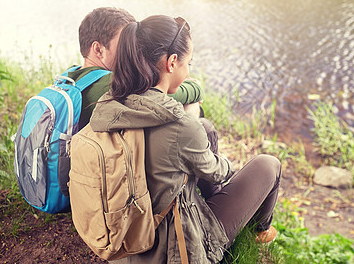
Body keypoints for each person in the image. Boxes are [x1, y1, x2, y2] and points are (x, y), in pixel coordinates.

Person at [88, 15, 281, 263]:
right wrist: (224, 163)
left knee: (205, 127)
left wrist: (195, 127)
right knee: (268, 165)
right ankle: (261, 231)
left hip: (125, 242)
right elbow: (218, 171)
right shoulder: (179, 126)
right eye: (188, 62)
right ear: (172, 62)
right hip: (174, 249)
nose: (188, 70)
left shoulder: (108, 106)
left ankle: (216, 201)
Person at [69, 7, 204, 130]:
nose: (134, 50)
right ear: (98, 50)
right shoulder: (112, 83)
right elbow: (167, 94)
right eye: (125, 43)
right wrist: (195, 86)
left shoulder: (72, 76)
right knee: (196, 114)